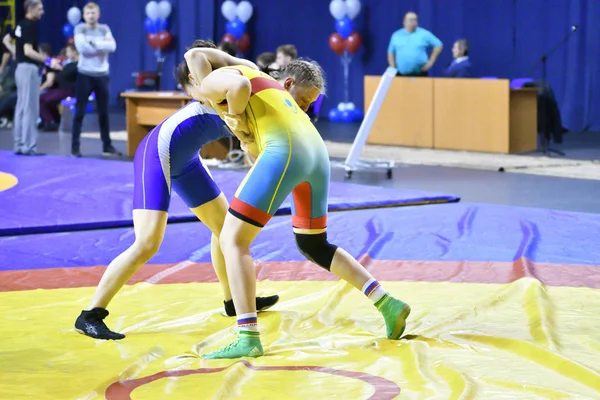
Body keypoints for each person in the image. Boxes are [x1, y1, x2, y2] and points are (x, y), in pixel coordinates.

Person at [181, 49, 411, 359]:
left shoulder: (211, 80)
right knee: (313, 243)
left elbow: (205, 62)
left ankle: (248, 336)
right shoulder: (263, 78)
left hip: (287, 150)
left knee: (232, 240)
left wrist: (232, 116)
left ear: (192, 78)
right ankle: (387, 302)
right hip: (316, 153)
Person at [73, 40, 295, 341]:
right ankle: (90, 314)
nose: (189, 95)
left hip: (187, 161)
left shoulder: (231, 87)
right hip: (157, 154)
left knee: (226, 231)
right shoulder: (220, 90)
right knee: (148, 242)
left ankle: (234, 301)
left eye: (187, 87)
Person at [2, 0, 62, 156]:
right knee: (30, 108)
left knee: (21, 106)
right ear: (31, 9)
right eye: (40, 9)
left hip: (20, 69)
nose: (42, 12)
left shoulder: (21, 24)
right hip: (28, 69)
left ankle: (19, 144)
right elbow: (29, 51)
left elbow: (6, 39)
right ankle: (29, 146)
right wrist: (49, 61)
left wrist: (16, 51)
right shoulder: (30, 26)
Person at [72, 2, 120, 158]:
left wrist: (93, 43)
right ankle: (75, 147)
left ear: (98, 15)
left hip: (102, 75)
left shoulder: (104, 28)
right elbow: (82, 50)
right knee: (79, 112)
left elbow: (112, 47)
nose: (91, 16)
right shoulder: (80, 29)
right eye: (88, 13)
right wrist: (102, 45)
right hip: (85, 74)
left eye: (93, 13)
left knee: (104, 113)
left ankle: (107, 146)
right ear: (84, 15)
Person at [387, 11, 442, 77]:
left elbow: (438, 45)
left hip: (420, 74)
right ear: (404, 22)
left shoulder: (424, 34)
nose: (413, 22)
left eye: (415, 20)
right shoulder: (396, 35)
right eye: (410, 20)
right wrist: (393, 68)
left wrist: (431, 62)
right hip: (401, 75)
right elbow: (391, 53)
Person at [40, 44, 79, 131]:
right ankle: (54, 121)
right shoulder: (69, 64)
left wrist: (60, 70)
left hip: (68, 90)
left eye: (68, 51)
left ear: (74, 52)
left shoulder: (76, 65)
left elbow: (62, 76)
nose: (66, 53)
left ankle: (51, 121)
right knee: (44, 99)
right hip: (62, 89)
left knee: (43, 98)